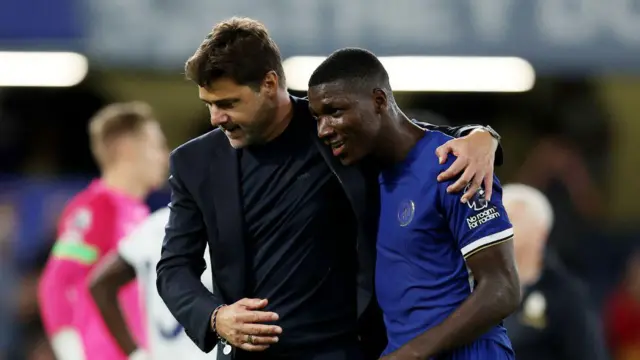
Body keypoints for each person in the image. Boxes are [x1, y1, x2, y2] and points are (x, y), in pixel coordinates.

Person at [156, 17, 503, 360]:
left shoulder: (335, 128)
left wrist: (481, 137)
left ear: (268, 83)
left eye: (228, 103)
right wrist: (216, 317)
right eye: (209, 105)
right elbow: (174, 267)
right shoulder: (194, 163)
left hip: (344, 349)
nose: (216, 118)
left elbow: (409, 134)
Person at [306, 47, 519, 360]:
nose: (323, 129)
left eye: (335, 111)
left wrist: (412, 354)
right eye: (317, 117)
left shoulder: (453, 165)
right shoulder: (368, 174)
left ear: (379, 101)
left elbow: (502, 289)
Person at [38, 102, 169, 360]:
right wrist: (72, 354)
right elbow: (56, 284)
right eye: (157, 146)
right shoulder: (95, 209)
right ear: (128, 149)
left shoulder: (140, 215)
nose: (165, 156)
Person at [89, 207, 216, 360]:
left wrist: (136, 355)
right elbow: (101, 284)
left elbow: (101, 284)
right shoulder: (232, 226)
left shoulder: (156, 225)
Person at [501, 184, 609, 360]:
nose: (500, 225)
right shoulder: (467, 285)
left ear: (541, 233)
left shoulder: (566, 294)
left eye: (513, 217)